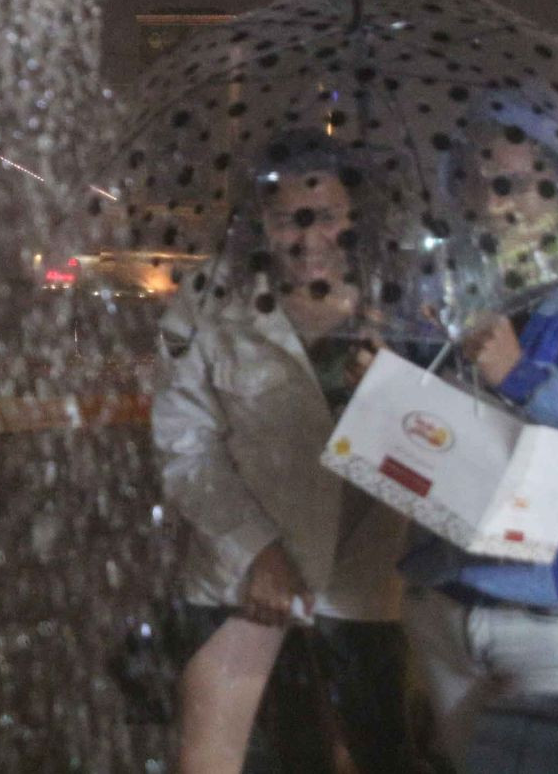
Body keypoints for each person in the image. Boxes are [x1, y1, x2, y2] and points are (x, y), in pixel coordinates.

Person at [153, 131, 420, 773]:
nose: (306, 239)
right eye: (284, 220)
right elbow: (185, 443)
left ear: (357, 216)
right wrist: (256, 550)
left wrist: (398, 392)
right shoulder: (210, 299)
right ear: (258, 225)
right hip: (242, 578)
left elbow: (441, 447)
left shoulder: (404, 306)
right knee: (215, 759)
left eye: (325, 216)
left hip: (367, 582)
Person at [398, 108, 558, 767]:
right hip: (446, 606)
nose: (495, 203)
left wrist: (522, 375)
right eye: (478, 183)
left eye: (518, 183)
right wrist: (393, 388)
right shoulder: (450, 291)